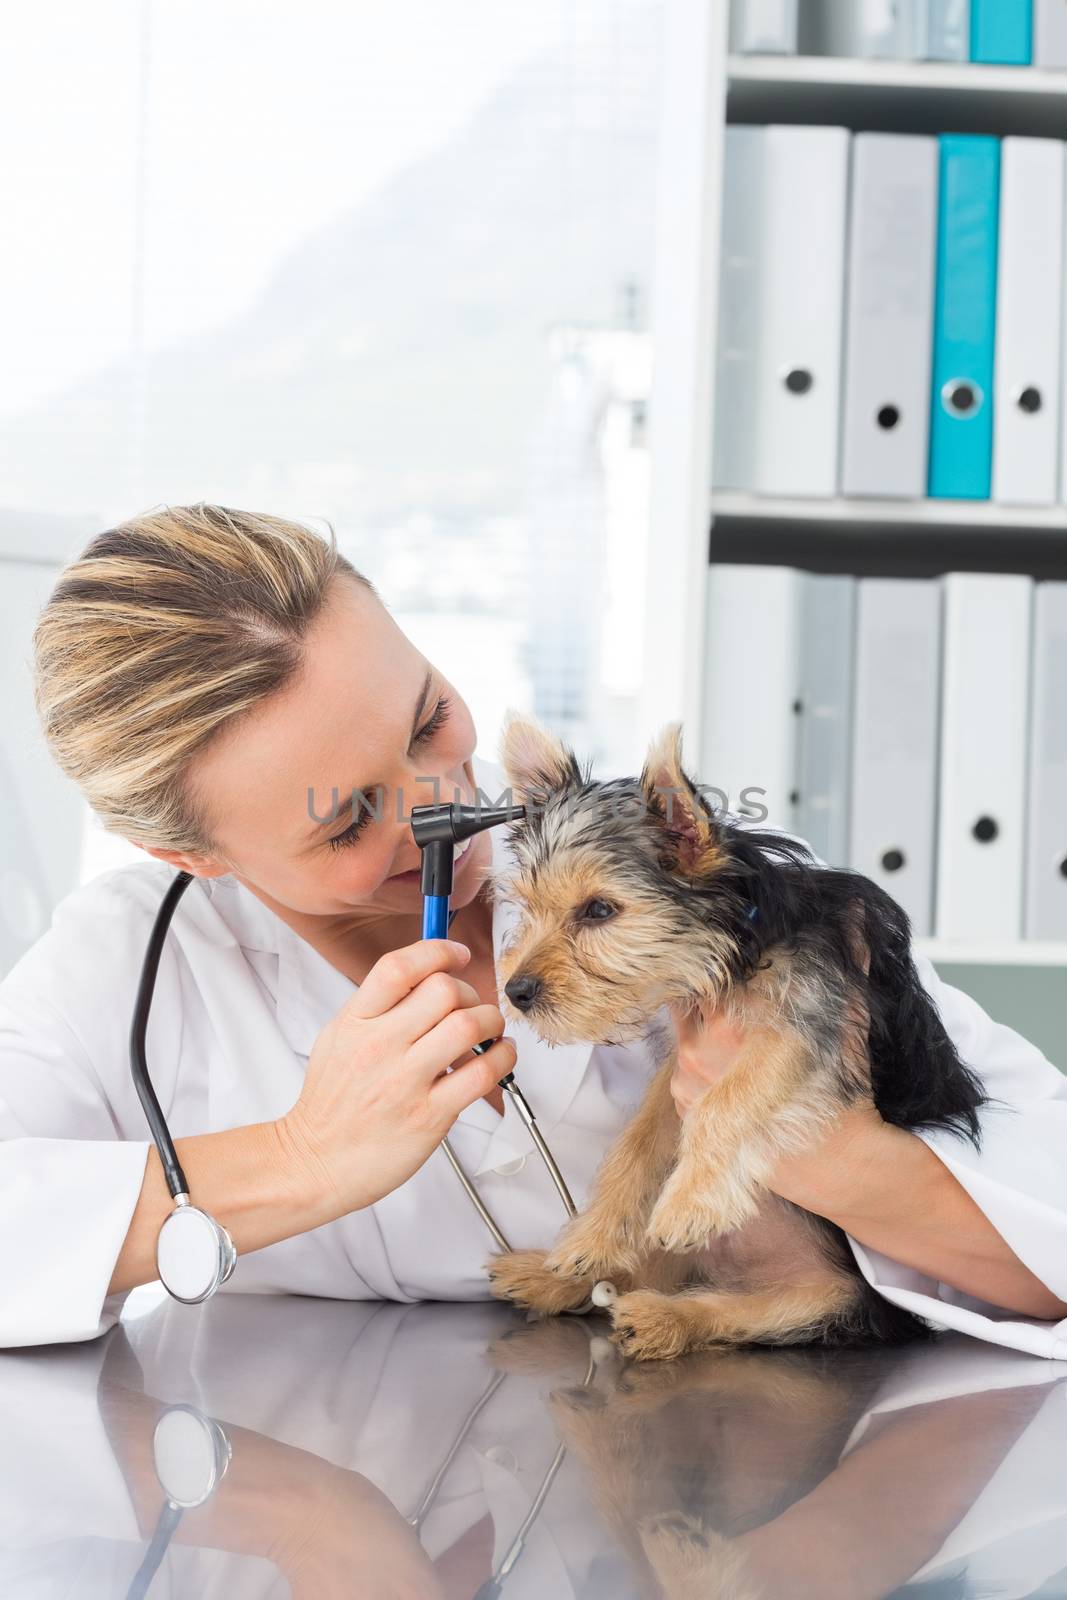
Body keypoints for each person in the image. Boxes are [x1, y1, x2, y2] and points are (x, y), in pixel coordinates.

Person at [1, 503, 1065, 1355]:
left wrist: (826, 1157)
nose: (443, 803)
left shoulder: (685, 880)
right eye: (348, 818)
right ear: (193, 854)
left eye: (427, 718)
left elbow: (1046, 1209)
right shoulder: (126, 966)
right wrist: (298, 1157)